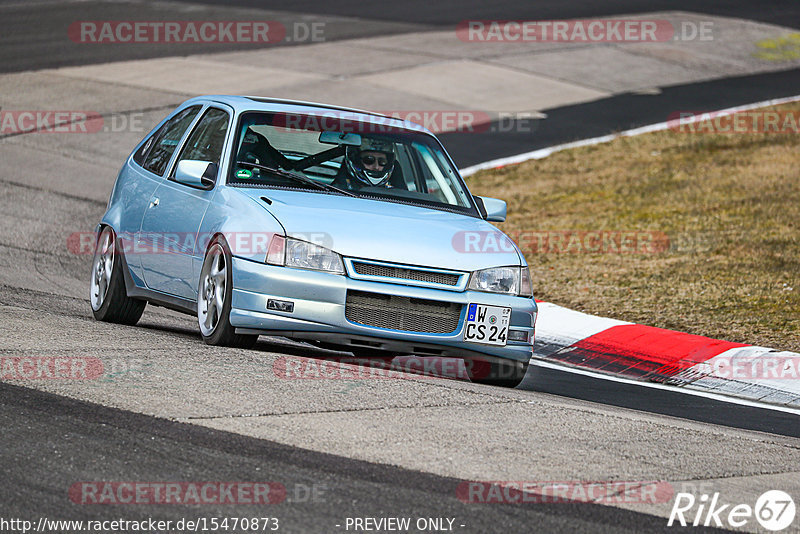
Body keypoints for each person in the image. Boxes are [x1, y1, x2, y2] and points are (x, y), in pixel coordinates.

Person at [333, 138, 398, 190]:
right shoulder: (337, 191)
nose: (376, 167)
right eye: (369, 160)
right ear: (356, 160)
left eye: (382, 161)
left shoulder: (395, 194)